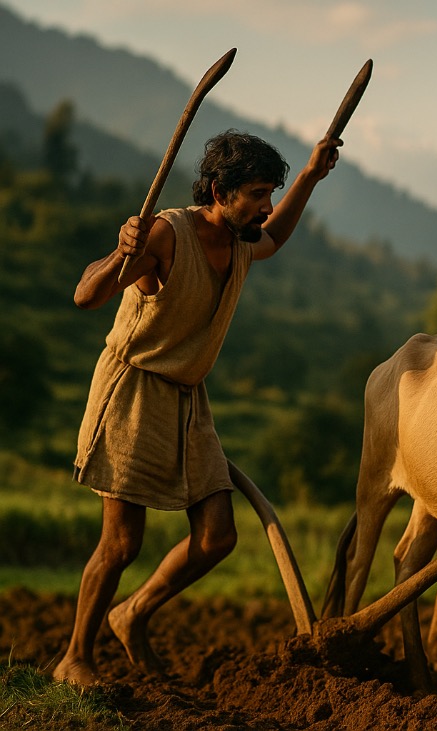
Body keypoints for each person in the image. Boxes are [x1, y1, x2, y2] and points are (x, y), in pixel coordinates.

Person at [52, 130, 341, 686]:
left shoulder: (240, 241)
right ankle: (75, 657)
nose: (267, 206)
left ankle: (132, 613)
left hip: (189, 400)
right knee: (121, 543)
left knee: (218, 536)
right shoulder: (166, 234)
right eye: (258, 194)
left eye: (270, 193)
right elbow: (86, 296)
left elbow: (275, 238)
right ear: (219, 191)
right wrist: (123, 251)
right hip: (132, 392)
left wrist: (309, 176)